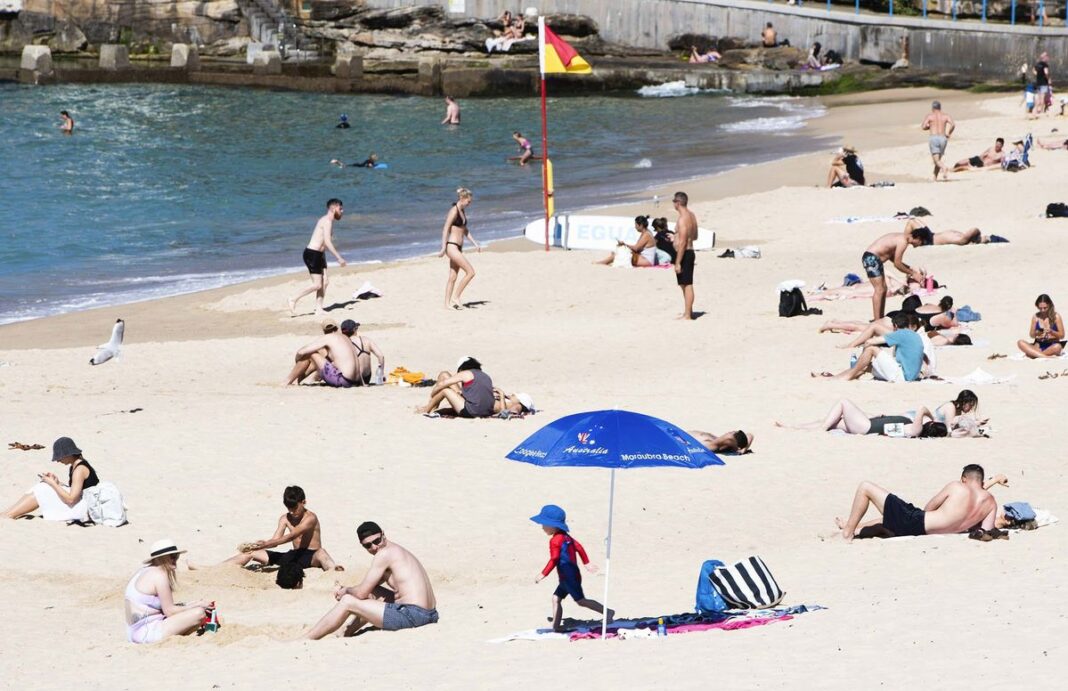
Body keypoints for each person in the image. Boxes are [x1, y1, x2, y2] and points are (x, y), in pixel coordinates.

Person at [303, 521, 438, 639]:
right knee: (371, 591)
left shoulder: (383, 554)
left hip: (412, 615)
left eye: (377, 541)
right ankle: (347, 632)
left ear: (383, 534)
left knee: (347, 601)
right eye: (368, 545)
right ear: (362, 545)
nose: (374, 547)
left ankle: (307, 638)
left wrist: (346, 591)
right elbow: (367, 588)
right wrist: (349, 589)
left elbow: (360, 593)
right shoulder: (397, 550)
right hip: (431, 614)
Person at [836, 464, 997, 540]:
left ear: (964, 478)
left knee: (865, 487)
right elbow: (986, 532)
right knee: (885, 521)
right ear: (981, 481)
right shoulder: (990, 502)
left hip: (916, 522)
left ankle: (847, 533)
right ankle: (852, 525)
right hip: (925, 531)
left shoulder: (957, 487)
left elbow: (928, 508)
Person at [220, 485, 342, 573]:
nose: (291, 511)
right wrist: (263, 544)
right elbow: (276, 541)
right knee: (250, 553)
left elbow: (291, 536)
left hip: (311, 556)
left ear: (303, 502)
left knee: (322, 552)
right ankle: (218, 569)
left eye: (294, 508)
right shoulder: (284, 518)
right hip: (293, 557)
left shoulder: (311, 518)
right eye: (288, 508)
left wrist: (268, 543)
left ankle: (335, 571)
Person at [530, 505, 611, 632]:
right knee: (556, 598)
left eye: (544, 524)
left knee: (581, 601)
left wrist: (543, 574)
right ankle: (555, 626)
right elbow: (579, 547)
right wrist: (586, 563)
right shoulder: (566, 536)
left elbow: (554, 559)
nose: (542, 527)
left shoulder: (555, 541)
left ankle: (608, 612)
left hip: (569, 577)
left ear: (553, 526)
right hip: (568, 575)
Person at [125, 539, 210, 644]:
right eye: (172, 556)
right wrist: (196, 606)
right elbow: (169, 611)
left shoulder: (144, 571)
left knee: (195, 609)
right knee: (199, 613)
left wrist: (194, 603)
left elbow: (162, 607)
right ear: (161, 558)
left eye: (176, 556)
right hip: (147, 633)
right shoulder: (159, 575)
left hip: (134, 632)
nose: (175, 560)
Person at [2, 436, 99, 521]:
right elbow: (78, 489)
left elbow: (71, 500)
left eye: (59, 457)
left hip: (85, 508)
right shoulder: (76, 465)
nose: (58, 460)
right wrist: (58, 483)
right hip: (82, 502)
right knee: (42, 486)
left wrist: (53, 484)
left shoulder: (79, 470)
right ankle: (7, 513)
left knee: (42, 489)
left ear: (68, 454)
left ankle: (8, 515)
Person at [814, 313, 924, 382]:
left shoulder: (900, 334)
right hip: (911, 375)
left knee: (872, 349)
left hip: (903, 377)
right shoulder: (914, 335)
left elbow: (870, 342)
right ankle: (837, 376)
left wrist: (864, 352)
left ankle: (846, 377)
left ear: (895, 326)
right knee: (867, 366)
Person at [288, 199, 347, 316]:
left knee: (325, 282)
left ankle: (319, 308)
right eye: (340, 208)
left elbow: (323, 244)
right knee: (317, 285)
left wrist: (323, 258)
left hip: (319, 255)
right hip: (312, 254)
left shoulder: (328, 221)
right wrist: (339, 257)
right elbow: (327, 241)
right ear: (333, 208)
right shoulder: (326, 221)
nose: (342, 211)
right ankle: (293, 298)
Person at [861, 224, 930, 320]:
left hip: (873, 258)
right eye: (921, 242)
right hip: (871, 258)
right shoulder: (903, 241)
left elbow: (893, 258)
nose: (919, 245)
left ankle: (880, 317)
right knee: (879, 290)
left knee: (883, 289)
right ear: (918, 238)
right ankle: (877, 320)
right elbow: (897, 264)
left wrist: (911, 269)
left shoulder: (901, 238)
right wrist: (913, 273)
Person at [777, 400, 947, 437]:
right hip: (869, 425)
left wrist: (931, 416)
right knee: (831, 421)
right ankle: (793, 427)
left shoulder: (916, 429)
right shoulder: (914, 429)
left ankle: (819, 431)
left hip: (867, 427)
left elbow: (922, 408)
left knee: (843, 403)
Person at [440, 187, 480, 310]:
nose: (469, 203)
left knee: (452, 277)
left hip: (458, 247)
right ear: (462, 198)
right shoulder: (454, 210)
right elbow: (446, 228)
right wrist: (443, 248)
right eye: (468, 201)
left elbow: (464, 230)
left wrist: (475, 243)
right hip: (451, 246)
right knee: (470, 272)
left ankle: (447, 304)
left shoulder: (462, 211)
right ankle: (456, 297)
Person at [282, 323, 360, 387]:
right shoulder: (345, 338)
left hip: (343, 381)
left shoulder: (328, 338)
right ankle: (297, 380)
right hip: (356, 381)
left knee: (310, 353)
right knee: (317, 358)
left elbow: (301, 352)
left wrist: (298, 361)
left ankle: (287, 381)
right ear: (337, 328)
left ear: (324, 331)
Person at [418, 356, 496, 417]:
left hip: (472, 411)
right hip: (487, 411)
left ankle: (426, 409)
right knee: (444, 374)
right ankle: (432, 407)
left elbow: (442, 384)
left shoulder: (466, 373)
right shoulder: (485, 376)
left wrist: (432, 395)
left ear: (461, 368)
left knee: (445, 390)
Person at [594, 216, 659, 267]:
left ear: (641, 225)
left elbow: (636, 248)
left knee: (619, 254)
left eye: (636, 225)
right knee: (619, 252)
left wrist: (625, 244)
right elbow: (638, 248)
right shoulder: (646, 232)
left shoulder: (646, 235)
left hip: (647, 261)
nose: (635, 227)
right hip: (644, 258)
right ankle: (604, 262)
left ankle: (602, 263)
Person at [672, 191, 697, 320]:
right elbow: (695, 236)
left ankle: (687, 314)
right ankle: (688, 311)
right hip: (690, 251)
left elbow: (682, 243)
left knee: (687, 284)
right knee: (684, 284)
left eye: (674, 201)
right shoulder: (692, 216)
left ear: (679, 202)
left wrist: (677, 262)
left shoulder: (682, 219)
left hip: (685, 253)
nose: (673, 203)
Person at [1017, 293, 1065, 358]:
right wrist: (1037, 333)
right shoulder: (1035, 317)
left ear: (1050, 305)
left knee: (1058, 347)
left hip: (1052, 345)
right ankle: (1044, 356)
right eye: (1040, 308)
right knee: (1020, 342)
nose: (1042, 310)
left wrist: (1052, 332)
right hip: (1038, 345)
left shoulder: (1056, 316)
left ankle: (1034, 355)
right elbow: (1031, 335)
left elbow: (1062, 335)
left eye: (1045, 308)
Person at [340, 319, 384, 385]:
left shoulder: (345, 343)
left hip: (355, 378)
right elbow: (381, 356)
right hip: (367, 377)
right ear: (355, 329)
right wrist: (381, 373)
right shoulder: (366, 340)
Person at [921, 100, 956, 181]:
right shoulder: (945, 115)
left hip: (934, 138)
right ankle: (934, 177)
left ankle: (944, 168)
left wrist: (929, 127)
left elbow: (923, 126)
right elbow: (953, 124)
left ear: (933, 108)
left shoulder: (930, 116)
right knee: (938, 160)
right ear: (940, 107)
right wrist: (949, 132)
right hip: (943, 138)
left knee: (936, 161)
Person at [689, 429, 754, 453]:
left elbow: (691, 448)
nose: (732, 432)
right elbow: (750, 435)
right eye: (736, 432)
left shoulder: (712, 445)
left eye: (736, 435)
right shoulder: (715, 438)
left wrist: (739, 450)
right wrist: (744, 449)